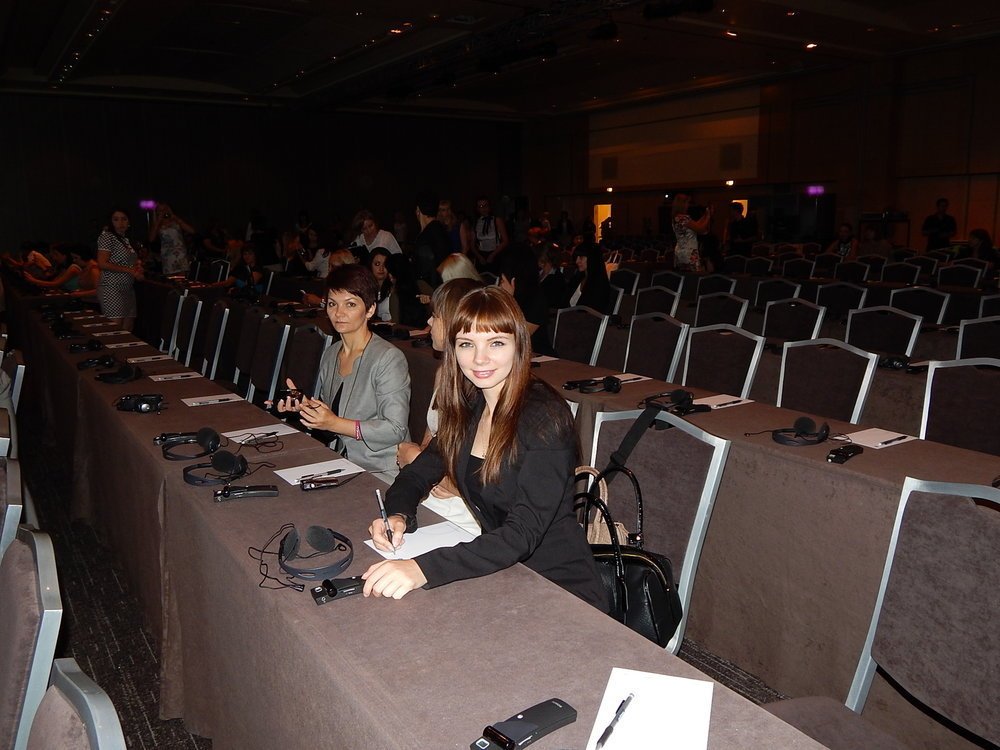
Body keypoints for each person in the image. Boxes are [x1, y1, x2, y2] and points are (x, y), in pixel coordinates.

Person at [362, 286, 607, 609]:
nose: (480, 358)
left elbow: (522, 533)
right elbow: (416, 474)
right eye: (467, 344)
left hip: (560, 589)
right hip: (504, 574)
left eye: (496, 343)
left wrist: (422, 569)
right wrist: (397, 515)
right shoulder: (471, 406)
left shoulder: (544, 417)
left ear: (519, 346)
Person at [277, 265, 410, 478]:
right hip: (341, 462)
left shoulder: (388, 358)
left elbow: (395, 429)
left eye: (350, 304)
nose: (339, 313)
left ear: (370, 310)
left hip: (381, 470)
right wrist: (307, 409)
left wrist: (334, 423)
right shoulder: (331, 353)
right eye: (332, 304)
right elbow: (333, 419)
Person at [395, 278, 485, 536]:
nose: (429, 322)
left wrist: (425, 467)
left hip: (468, 507)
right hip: (435, 487)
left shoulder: (480, 387)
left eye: (435, 316)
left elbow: (491, 486)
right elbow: (430, 441)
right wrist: (422, 465)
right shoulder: (443, 373)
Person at [96, 207, 143, 331]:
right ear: (110, 222)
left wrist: (138, 270)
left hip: (128, 287)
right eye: (116, 219)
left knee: (128, 327)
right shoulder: (107, 237)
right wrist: (129, 270)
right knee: (115, 328)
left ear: (129, 222)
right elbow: (102, 263)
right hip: (112, 286)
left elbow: (131, 264)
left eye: (124, 219)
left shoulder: (127, 240)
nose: (121, 223)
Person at [413, 192, 451, 287]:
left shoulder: (427, 235)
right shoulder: (438, 228)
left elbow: (427, 267)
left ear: (418, 210)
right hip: (441, 283)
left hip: (432, 287)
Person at [148, 202, 194, 275]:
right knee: (170, 278)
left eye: (164, 209)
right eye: (160, 210)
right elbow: (151, 239)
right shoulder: (157, 224)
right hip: (167, 255)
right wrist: (158, 221)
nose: (163, 212)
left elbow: (192, 231)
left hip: (180, 253)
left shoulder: (175, 221)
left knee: (182, 278)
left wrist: (175, 218)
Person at [566, 242, 611, 313]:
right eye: (576, 257)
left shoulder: (599, 284)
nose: (577, 261)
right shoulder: (579, 277)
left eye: (581, 257)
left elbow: (591, 314)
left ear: (592, 258)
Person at [671, 194, 711, 271]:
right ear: (682, 204)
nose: (688, 205)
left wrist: (704, 216)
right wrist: (708, 217)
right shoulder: (685, 218)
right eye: (687, 203)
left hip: (679, 251)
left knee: (682, 275)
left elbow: (696, 225)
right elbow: (701, 229)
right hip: (689, 252)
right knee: (693, 275)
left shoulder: (676, 218)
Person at [473, 196, 509, 268]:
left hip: (496, 254)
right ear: (477, 209)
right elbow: (472, 244)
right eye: (481, 206)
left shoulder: (497, 220)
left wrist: (492, 255)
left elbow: (506, 241)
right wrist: (479, 257)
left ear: (489, 207)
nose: (483, 208)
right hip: (481, 256)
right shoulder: (476, 222)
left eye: (485, 205)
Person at [370, 248, 393, 321]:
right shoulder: (364, 287)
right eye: (377, 264)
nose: (381, 268)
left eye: (385, 264)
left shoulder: (394, 288)